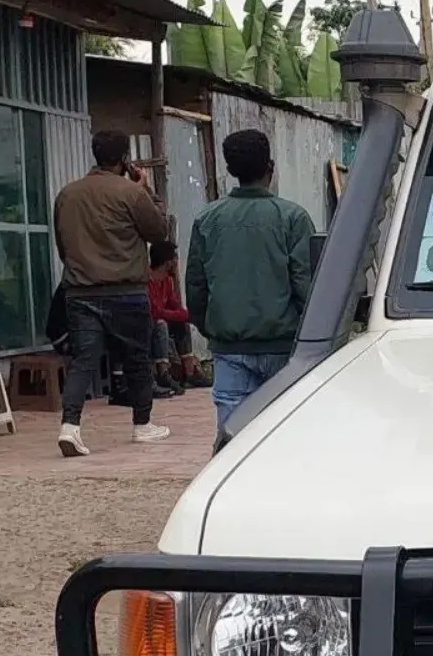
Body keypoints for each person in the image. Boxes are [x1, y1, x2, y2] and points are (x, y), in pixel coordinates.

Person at [52, 131, 172, 456]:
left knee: (83, 361)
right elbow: (159, 232)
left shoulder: (67, 194)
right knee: (137, 359)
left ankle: (70, 427)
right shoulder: (131, 193)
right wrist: (146, 189)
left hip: (80, 292)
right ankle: (142, 424)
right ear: (124, 159)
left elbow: (63, 247)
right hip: (126, 291)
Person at [186, 130, 314, 433]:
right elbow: (306, 285)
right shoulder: (293, 218)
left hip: (229, 347)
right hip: (283, 346)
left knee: (232, 434)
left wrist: (210, 328)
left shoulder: (207, 219)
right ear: (271, 167)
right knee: (285, 429)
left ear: (230, 170)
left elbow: (196, 286)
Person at [148, 241, 204, 388]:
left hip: (163, 320)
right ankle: (162, 373)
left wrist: (186, 315)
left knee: (182, 324)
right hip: (149, 323)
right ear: (167, 262)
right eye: (174, 258)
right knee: (161, 325)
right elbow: (154, 311)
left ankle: (189, 372)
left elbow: (175, 305)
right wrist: (180, 315)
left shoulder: (167, 281)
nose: (177, 262)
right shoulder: (147, 280)